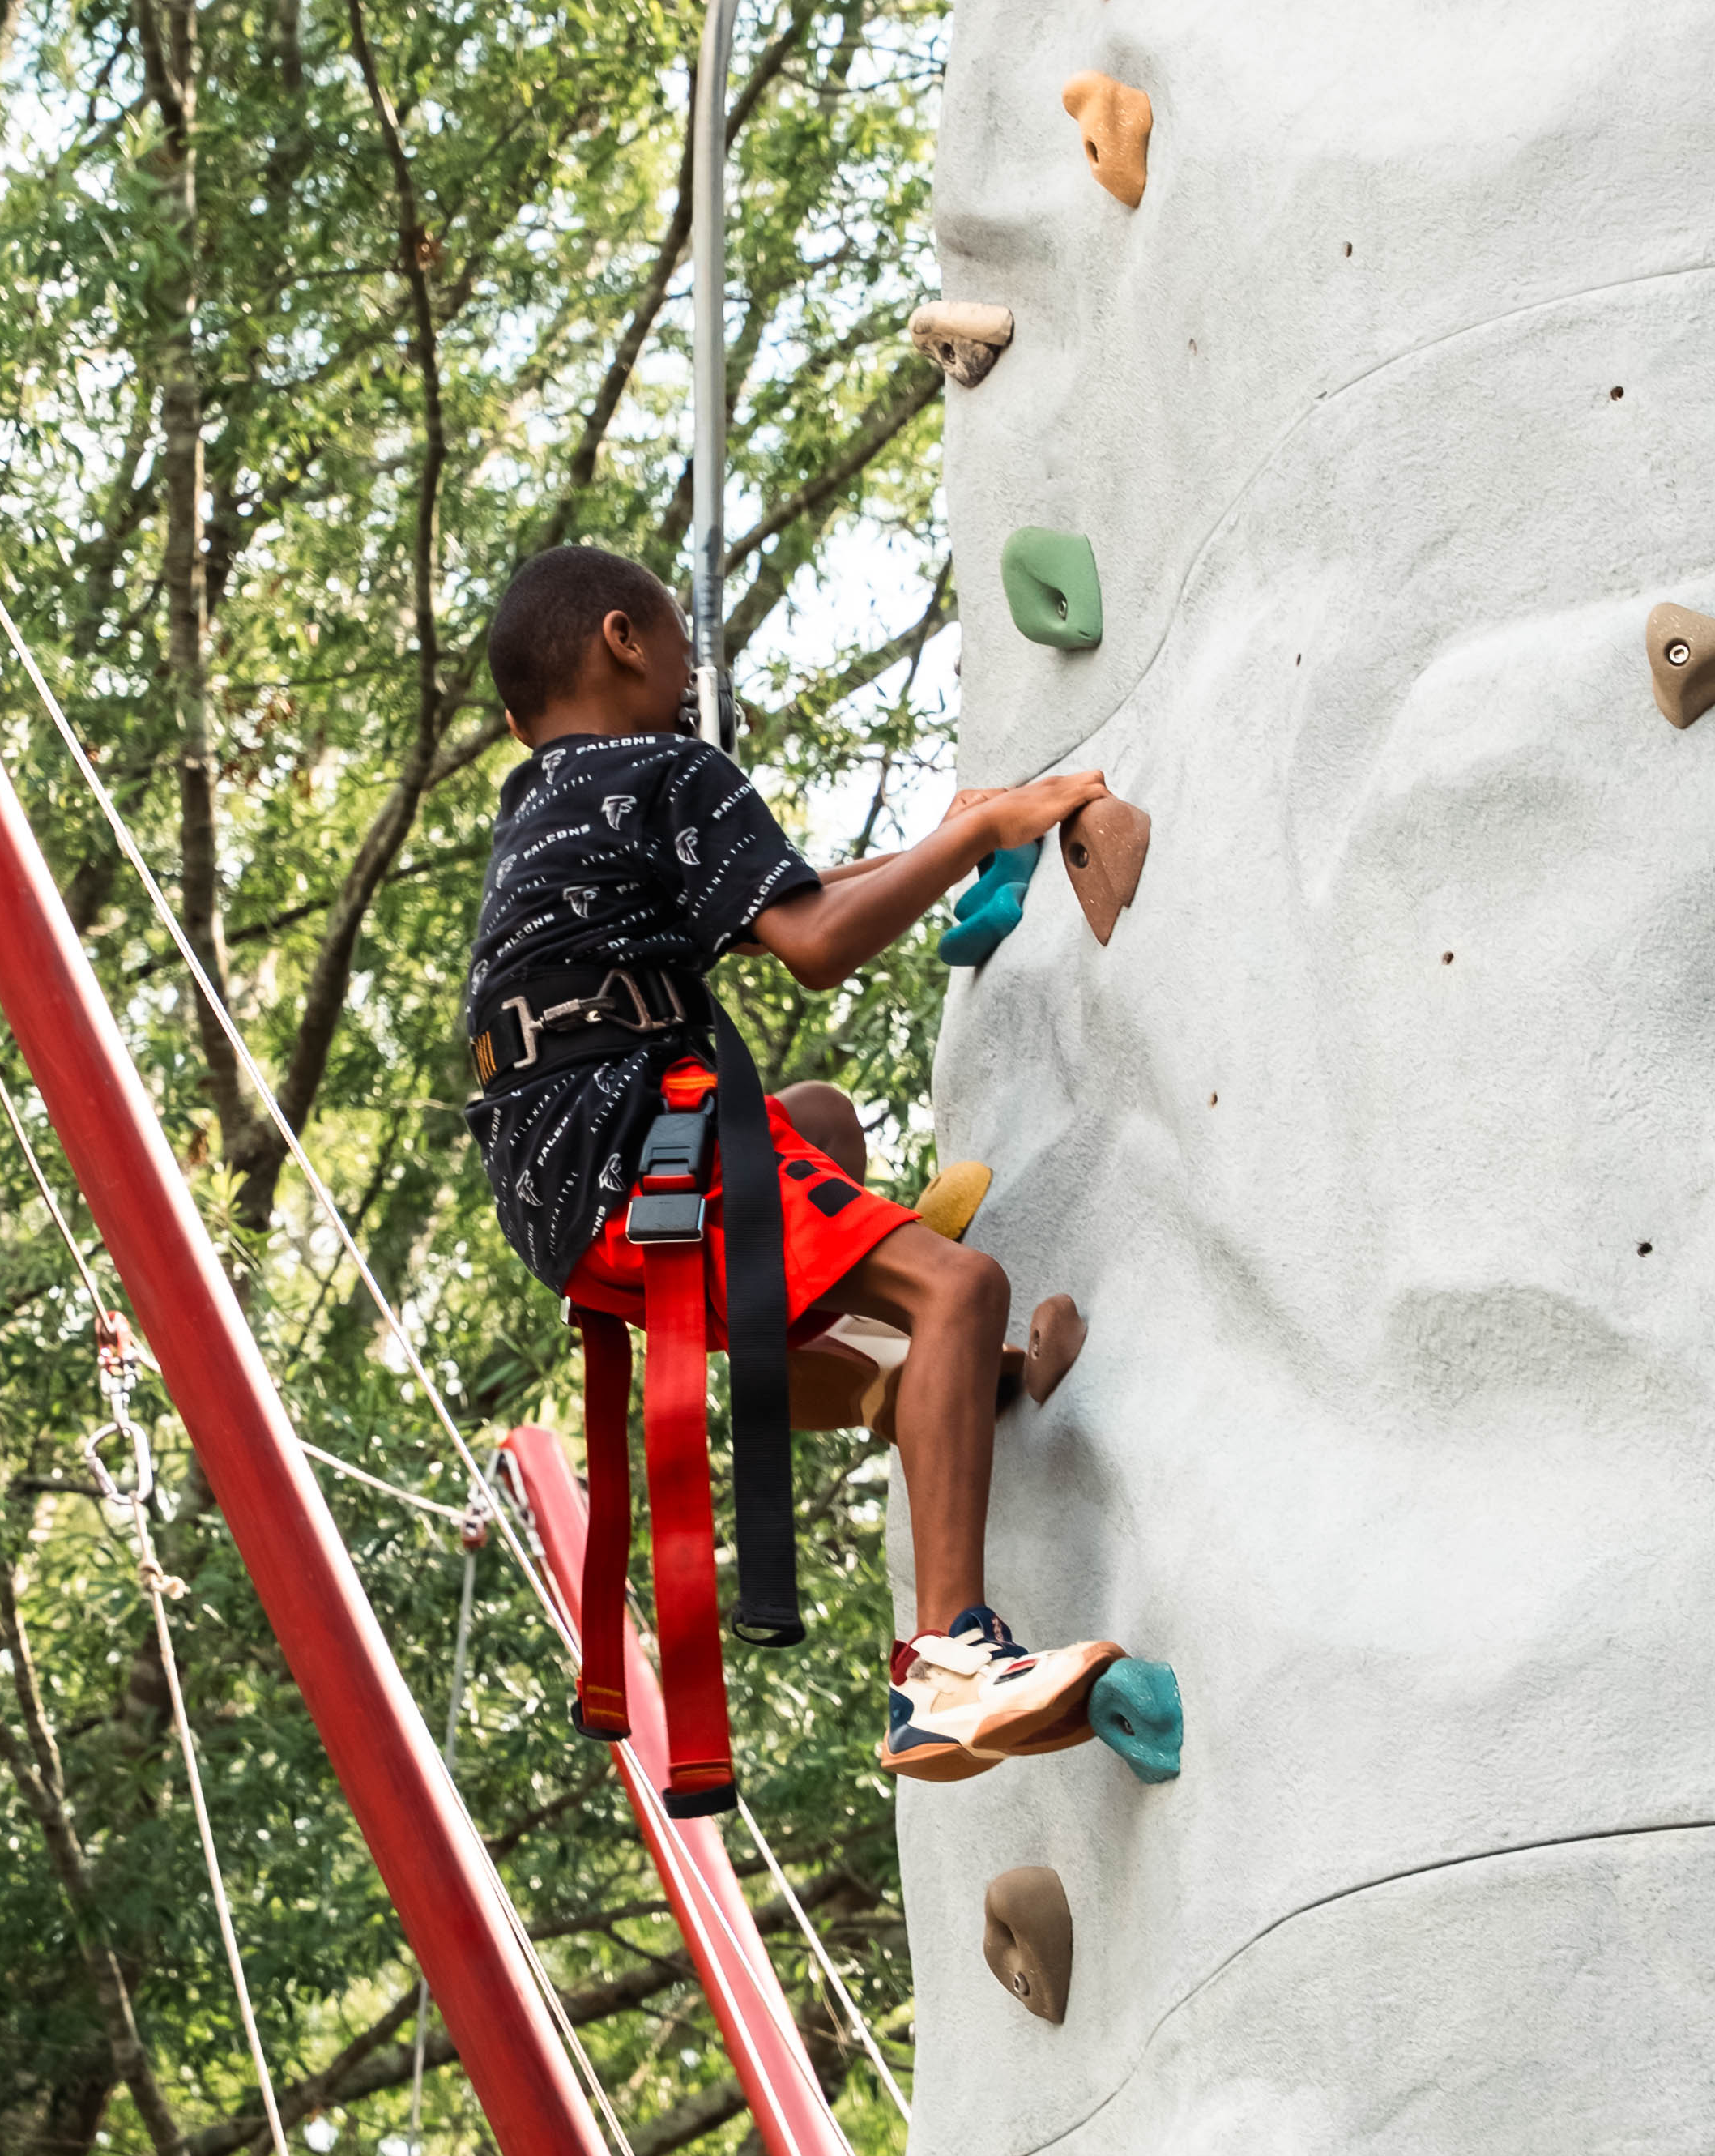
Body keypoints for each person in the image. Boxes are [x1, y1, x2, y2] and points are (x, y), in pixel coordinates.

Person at [463, 541, 1181, 1786]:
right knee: (958, 1288)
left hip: (560, 1191)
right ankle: (949, 1668)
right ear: (626, 641)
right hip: (647, 1143)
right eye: (681, 642)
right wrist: (999, 826)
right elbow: (812, 939)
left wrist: (950, 842)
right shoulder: (666, 769)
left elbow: (782, 893)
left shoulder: (544, 808)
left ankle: (887, 1387)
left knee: (820, 1122)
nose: (693, 673)